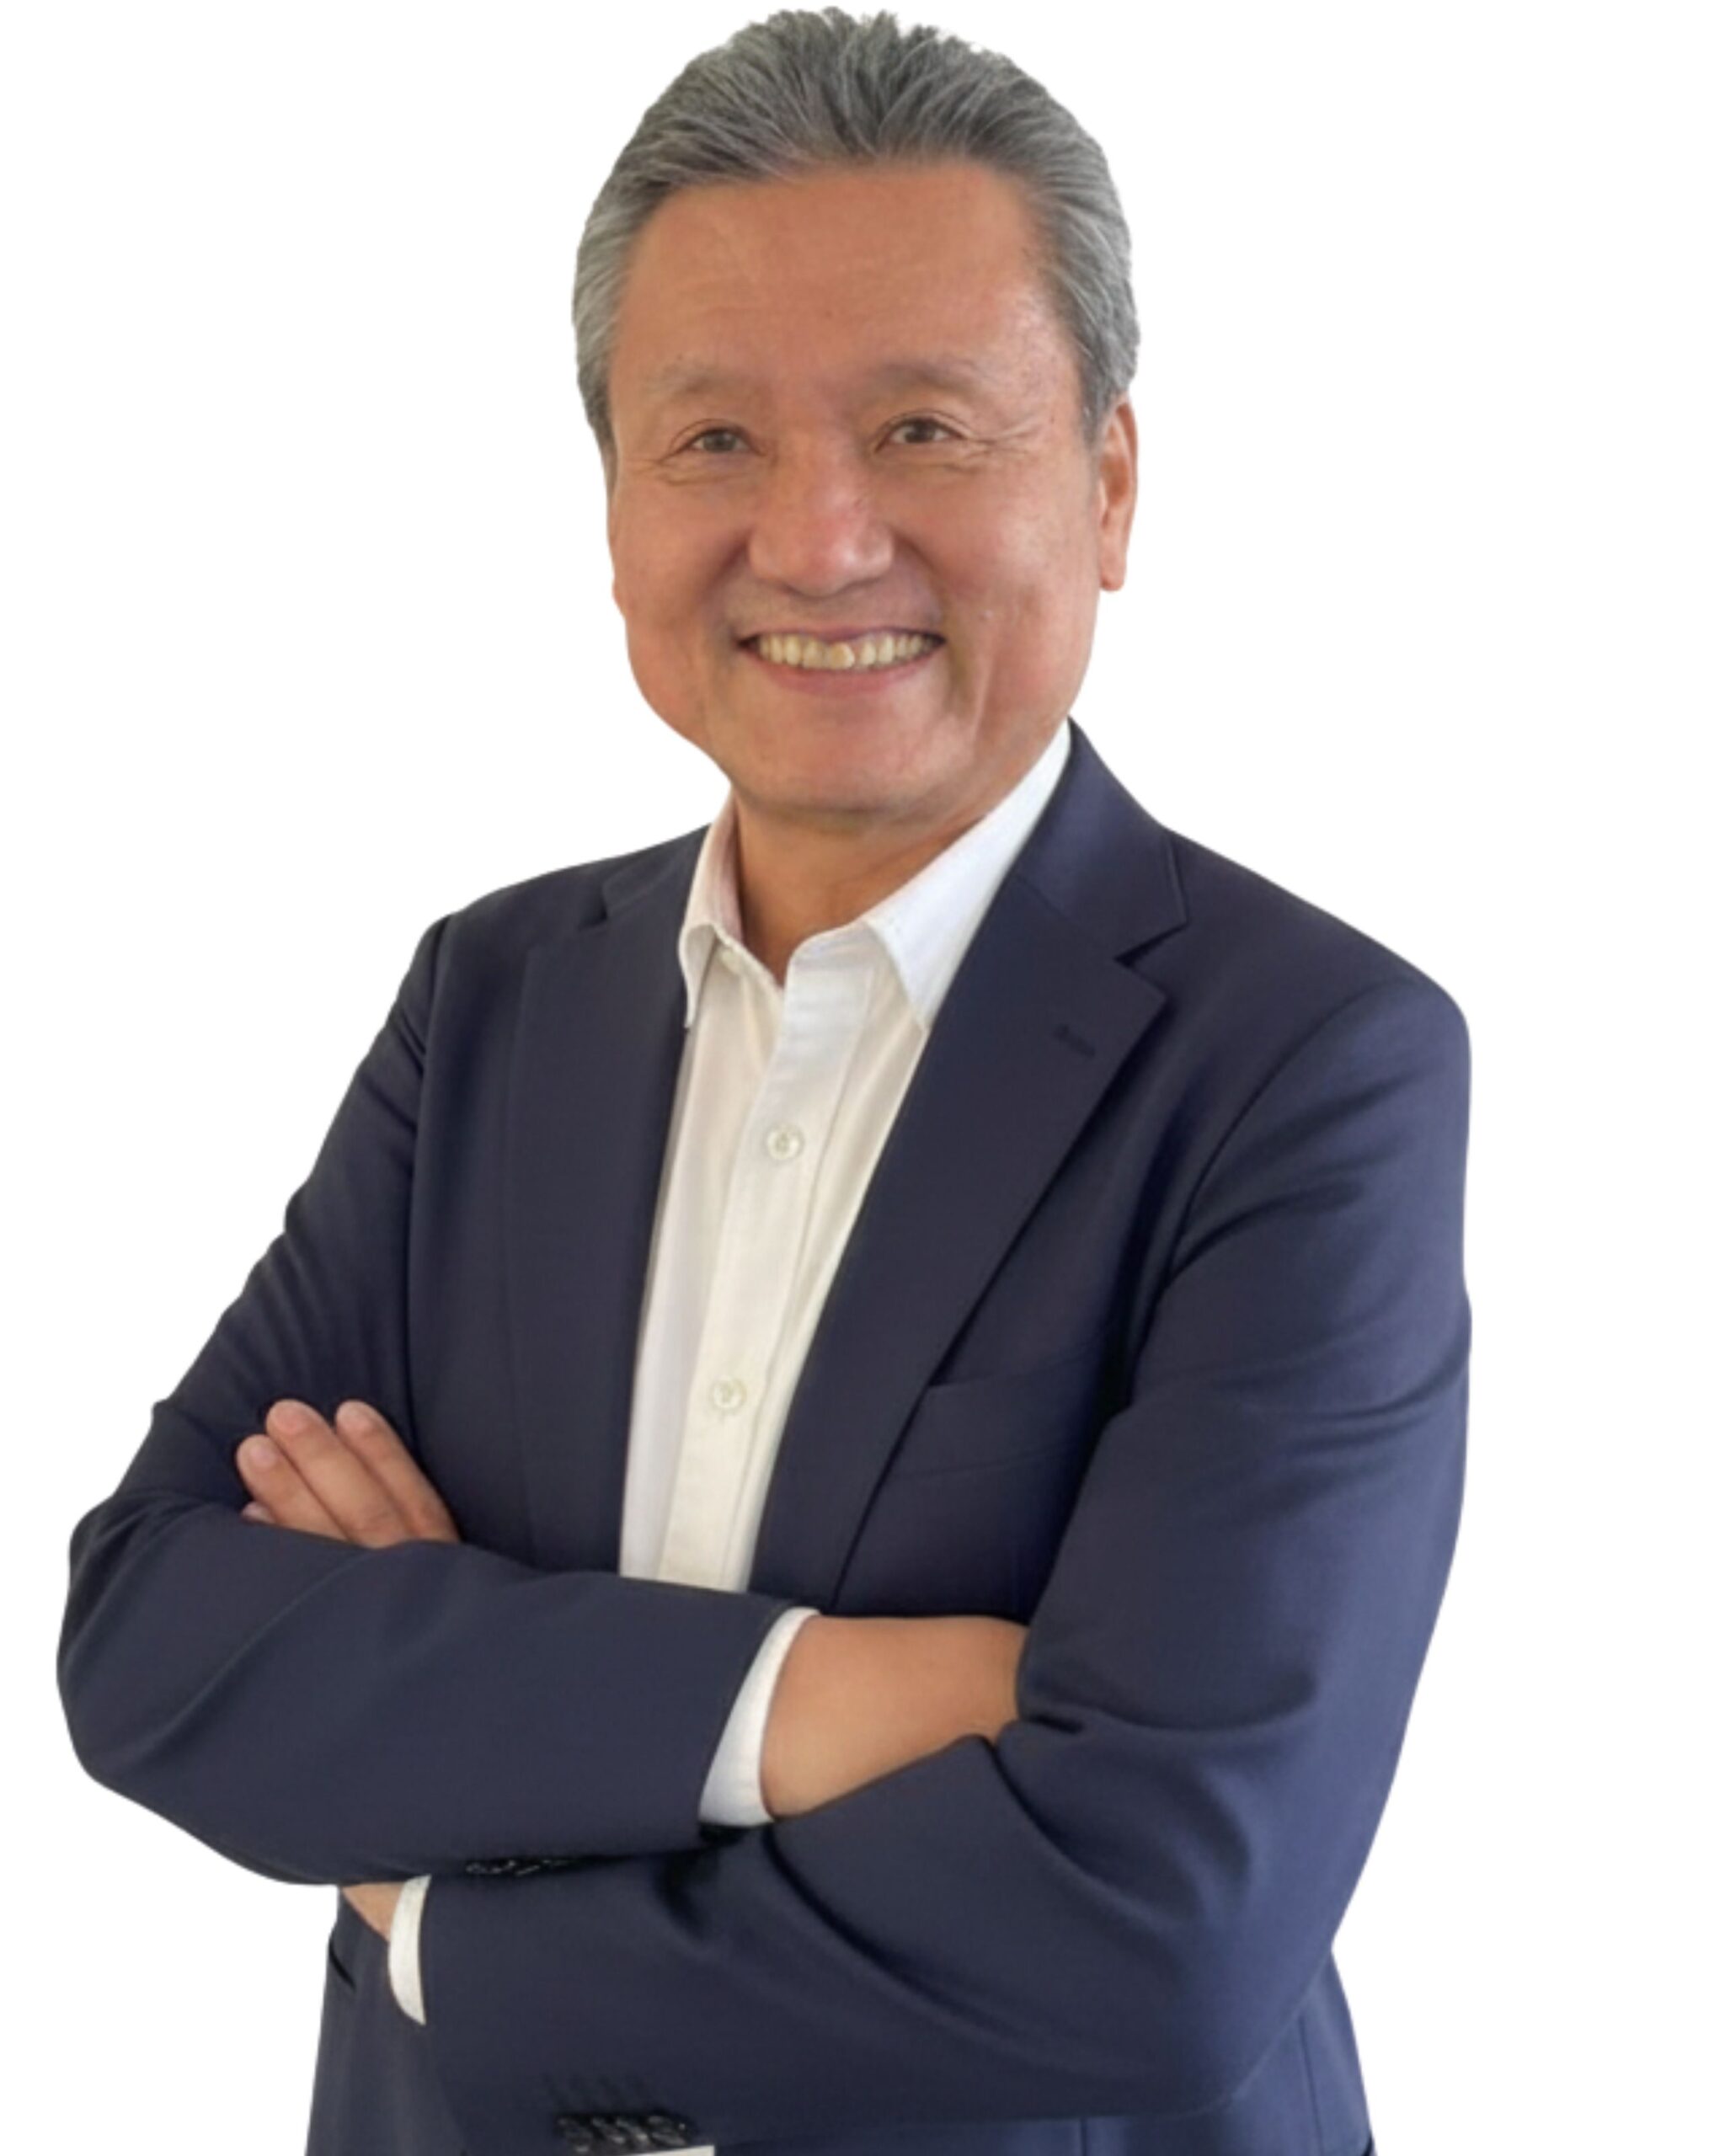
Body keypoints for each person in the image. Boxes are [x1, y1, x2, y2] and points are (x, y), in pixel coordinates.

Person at [57, 12, 1463, 2156]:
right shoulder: (493, 997)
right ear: (614, 502)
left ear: (1106, 484)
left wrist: (453, 1904)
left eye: (921, 427)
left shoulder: (1301, 1062)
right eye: (712, 438)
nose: (814, 540)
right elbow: (156, 1635)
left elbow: (1164, 1923)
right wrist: (821, 1697)